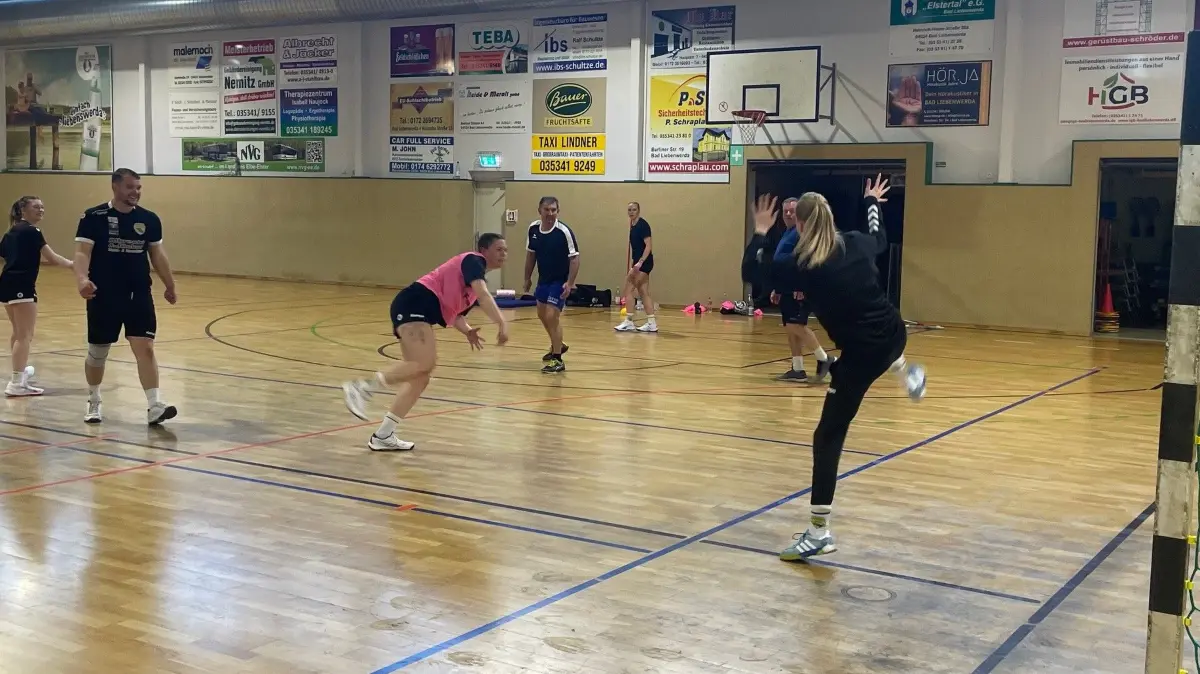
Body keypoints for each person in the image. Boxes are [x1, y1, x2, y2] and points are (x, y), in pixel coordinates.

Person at [750, 175, 926, 561]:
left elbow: (754, 270)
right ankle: (907, 372)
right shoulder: (857, 244)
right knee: (882, 351)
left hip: (861, 355)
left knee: (827, 436)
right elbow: (878, 236)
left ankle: (818, 532)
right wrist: (872, 202)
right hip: (895, 333)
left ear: (800, 224)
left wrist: (762, 232)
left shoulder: (803, 266)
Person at [342, 233, 510, 451]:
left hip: (417, 311)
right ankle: (361, 388)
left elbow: (457, 315)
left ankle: (383, 435)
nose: (504, 254)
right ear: (484, 250)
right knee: (425, 363)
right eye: (499, 249)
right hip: (414, 304)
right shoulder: (473, 261)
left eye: (506, 250)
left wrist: (468, 331)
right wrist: (501, 323)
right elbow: (485, 295)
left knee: (420, 377)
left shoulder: (469, 289)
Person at [73, 168, 178, 425]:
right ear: (115, 187)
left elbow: (157, 255)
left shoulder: (149, 219)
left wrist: (170, 284)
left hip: (138, 293)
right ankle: (94, 400)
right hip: (104, 295)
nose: (135, 193)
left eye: (139, 188)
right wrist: (82, 279)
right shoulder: (92, 216)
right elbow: (82, 253)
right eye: (130, 187)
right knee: (98, 352)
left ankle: (154, 405)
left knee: (146, 348)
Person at [743, 197, 834, 382]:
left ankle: (825, 359)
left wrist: (801, 286)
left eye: (792, 211)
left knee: (796, 325)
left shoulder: (802, 233)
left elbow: (806, 260)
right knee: (790, 328)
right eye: (786, 212)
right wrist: (777, 289)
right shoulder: (787, 233)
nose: (789, 214)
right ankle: (797, 369)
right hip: (786, 287)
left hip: (797, 288)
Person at [0, 196, 73, 397]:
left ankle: (20, 374)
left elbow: (5, 255)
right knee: (25, 335)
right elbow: (52, 257)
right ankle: (16, 383)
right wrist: (74, 265)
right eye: (36, 207)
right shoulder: (32, 231)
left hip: (6, 283)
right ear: (23, 210)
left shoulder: (11, 232)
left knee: (17, 332)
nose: (41, 210)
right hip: (22, 285)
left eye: (42, 206)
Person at [523, 196, 579, 373]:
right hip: (543, 280)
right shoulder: (533, 229)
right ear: (540, 211)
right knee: (541, 314)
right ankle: (559, 344)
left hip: (559, 281)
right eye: (547, 210)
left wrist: (569, 283)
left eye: (554, 210)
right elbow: (531, 255)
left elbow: (575, 259)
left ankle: (557, 360)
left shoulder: (564, 232)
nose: (550, 213)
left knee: (551, 316)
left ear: (558, 211)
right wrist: (527, 277)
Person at [615, 202, 657, 333]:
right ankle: (651, 323)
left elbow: (648, 246)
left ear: (638, 210)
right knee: (643, 292)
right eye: (629, 210)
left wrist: (640, 263)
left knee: (628, 289)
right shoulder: (632, 225)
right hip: (639, 262)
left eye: (634, 210)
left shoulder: (642, 225)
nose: (631, 212)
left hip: (643, 263)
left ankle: (629, 321)